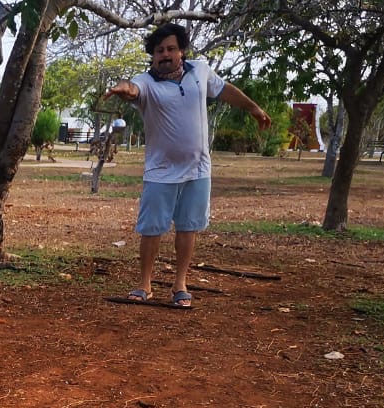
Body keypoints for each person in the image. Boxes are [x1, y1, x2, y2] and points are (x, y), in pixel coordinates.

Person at [104, 23, 271, 308]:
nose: (165, 55)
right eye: (159, 51)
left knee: (188, 227)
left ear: (181, 51)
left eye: (170, 49)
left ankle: (180, 284)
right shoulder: (145, 81)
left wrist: (253, 107)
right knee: (152, 228)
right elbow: (133, 90)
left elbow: (224, 90)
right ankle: (144, 283)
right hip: (160, 171)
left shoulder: (200, 71)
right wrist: (123, 89)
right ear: (153, 56)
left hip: (198, 169)